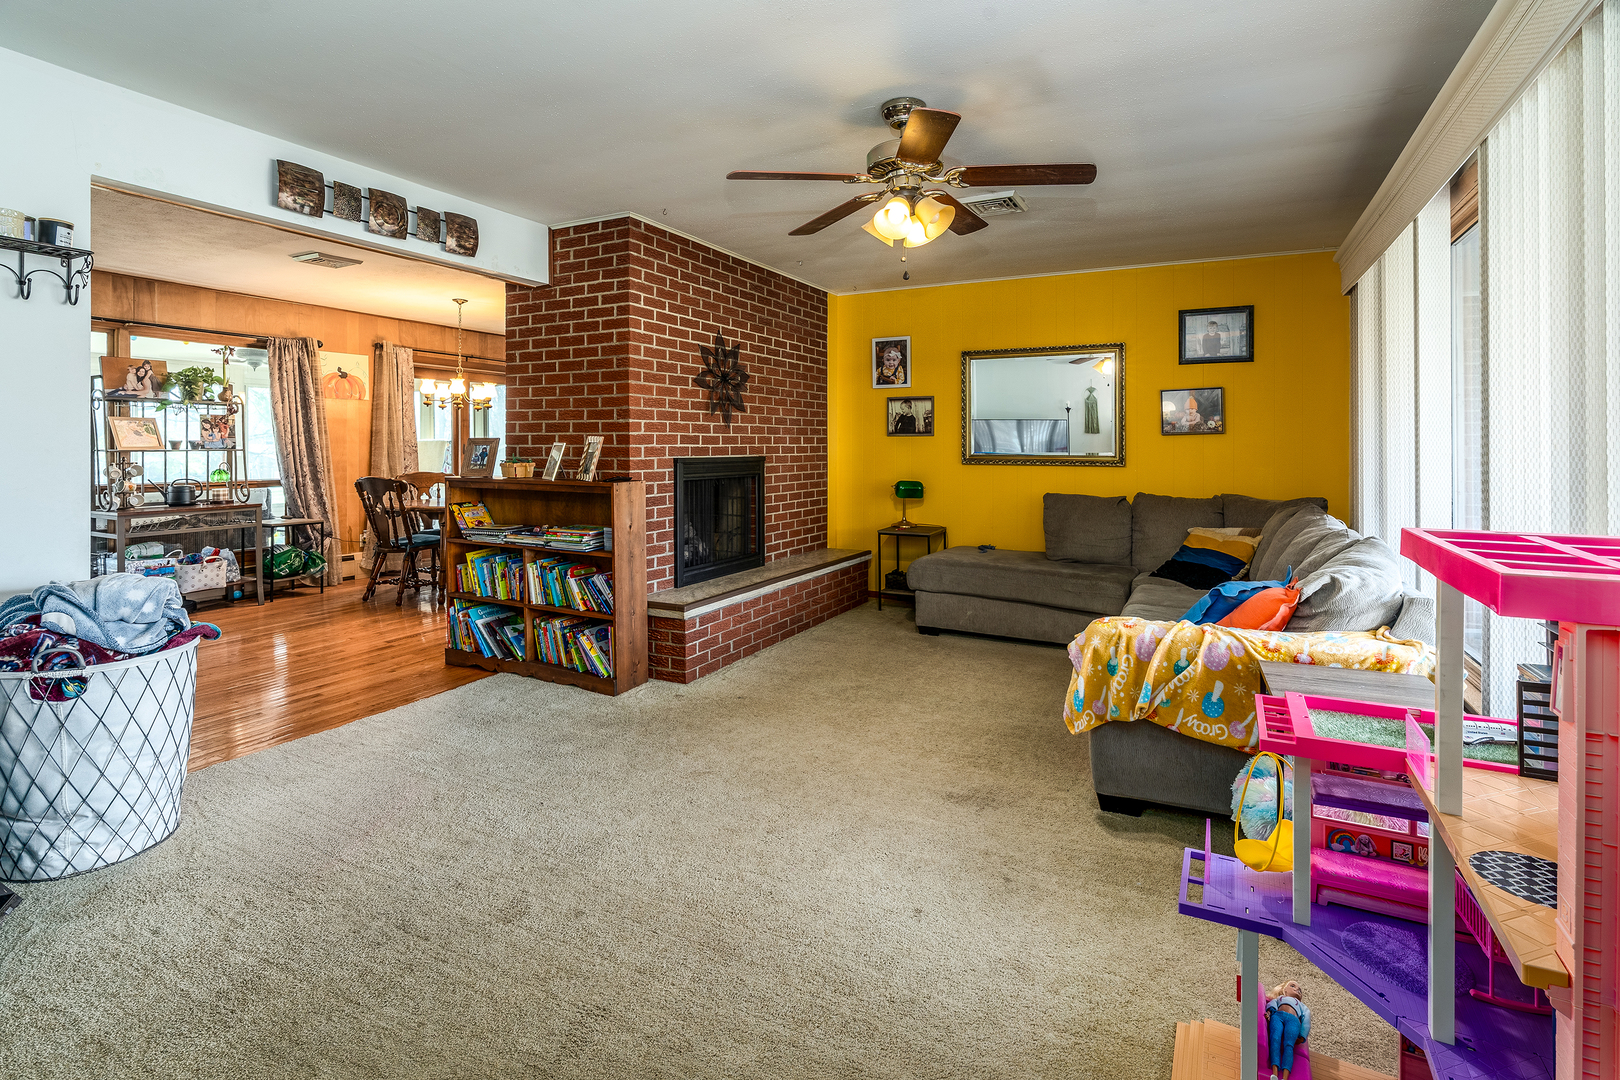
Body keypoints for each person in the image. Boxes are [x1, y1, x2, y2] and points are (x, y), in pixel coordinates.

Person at [1265, 980, 1310, 1080]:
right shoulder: (1280, 998)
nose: (1297, 989)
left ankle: (1285, 1078)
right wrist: (1269, 1012)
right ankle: (1275, 1073)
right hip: (1278, 1016)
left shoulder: (1303, 1007)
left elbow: (1306, 1021)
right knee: (1275, 1040)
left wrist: (1302, 1035)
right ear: (1284, 990)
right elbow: (1272, 1004)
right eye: (1292, 986)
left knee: (1289, 1045)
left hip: (1293, 1020)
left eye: (1300, 990)